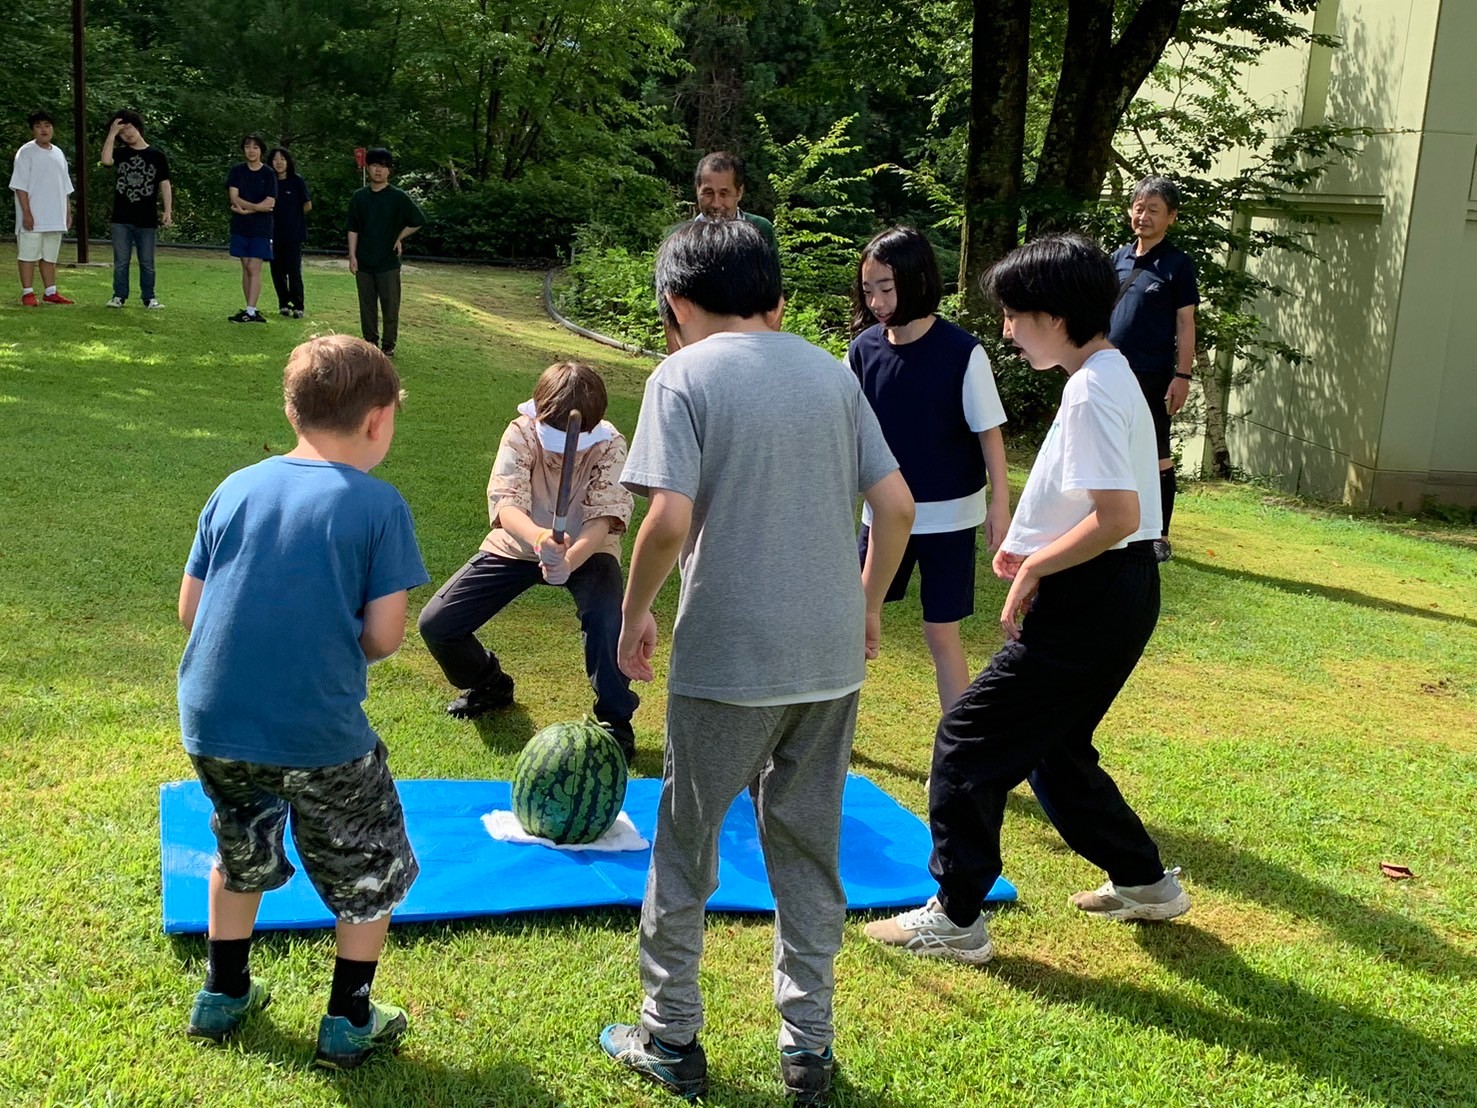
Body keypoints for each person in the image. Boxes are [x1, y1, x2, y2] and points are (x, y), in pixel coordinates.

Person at [598, 220, 914, 1106]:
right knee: (809, 851)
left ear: (675, 306)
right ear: (770, 294)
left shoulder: (681, 376)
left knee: (686, 846)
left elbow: (663, 522)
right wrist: (862, 603)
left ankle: (669, 1038)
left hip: (728, 659)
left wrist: (634, 615)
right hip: (827, 660)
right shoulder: (832, 372)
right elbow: (895, 506)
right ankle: (806, 1051)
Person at [864, 234, 1189, 967]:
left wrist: (1034, 562)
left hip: (1094, 596)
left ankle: (955, 918)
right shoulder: (1108, 375)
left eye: (1014, 315)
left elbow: (1114, 515)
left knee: (965, 742)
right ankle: (1145, 883)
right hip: (1114, 588)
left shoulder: (1093, 389)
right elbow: (1110, 516)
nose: (1007, 330)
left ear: (1054, 313)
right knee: (1055, 754)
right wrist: (1040, 558)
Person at [177, 334, 430, 1067]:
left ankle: (223, 994)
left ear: (292, 409)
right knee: (369, 867)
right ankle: (349, 1019)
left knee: (241, 847)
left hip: (215, 724)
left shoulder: (235, 486)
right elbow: (384, 636)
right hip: (320, 734)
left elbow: (192, 610)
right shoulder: (379, 506)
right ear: (378, 420)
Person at [417, 361, 640, 759]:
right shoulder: (520, 430)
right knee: (438, 623)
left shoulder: (611, 443)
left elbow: (604, 518)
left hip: (590, 550)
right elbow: (506, 504)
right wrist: (540, 539)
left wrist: (569, 558)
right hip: (519, 542)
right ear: (537, 411)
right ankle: (489, 683)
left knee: (608, 621)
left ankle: (615, 721)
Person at [849, 226, 1010, 713]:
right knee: (852, 622)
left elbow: (990, 435)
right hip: (881, 516)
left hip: (951, 519)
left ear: (917, 281)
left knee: (941, 634)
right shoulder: (861, 351)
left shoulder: (963, 353)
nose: (876, 301)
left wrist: (999, 508)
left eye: (887, 288)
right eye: (868, 289)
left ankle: (957, 756)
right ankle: (823, 743)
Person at [1108, 176, 1199, 562]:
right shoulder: (1117, 257)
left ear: (1171, 217)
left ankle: (1159, 534)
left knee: (1157, 452)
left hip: (1152, 374)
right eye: (1139, 208)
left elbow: (1185, 324)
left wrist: (1182, 376)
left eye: (1153, 210)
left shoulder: (1178, 264)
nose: (1143, 216)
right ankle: (1112, 521)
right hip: (1109, 370)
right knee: (1111, 447)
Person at [346, 147, 424, 359]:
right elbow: (352, 228)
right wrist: (352, 256)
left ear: (389, 170)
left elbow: (418, 220)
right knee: (367, 306)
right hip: (364, 259)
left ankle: (388, 346)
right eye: (374, 165)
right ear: (368, 168)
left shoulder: (398, 197)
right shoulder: (359, 197)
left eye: (382, 166)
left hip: (388, 262)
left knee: (390, 306)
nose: (378, 170)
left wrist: (399, 237)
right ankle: (370, 344)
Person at [100, 109, 172, 309]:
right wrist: (112, 134)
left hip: (146, 218)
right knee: (121, 261)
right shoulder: (121, 154)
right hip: (121, 218)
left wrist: (168, 211)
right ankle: (118, 296)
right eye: (122, 132)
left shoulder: (157, 155)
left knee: (147, 262)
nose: (127, 134)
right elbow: (106, 161)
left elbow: (164, 184)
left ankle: (149, 298)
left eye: (129, 128)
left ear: (137, 127)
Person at [10, 109, 74, 306]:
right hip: (33, 214)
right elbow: (20, 185)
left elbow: (64, 186)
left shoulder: (58, 153)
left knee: (49, 255)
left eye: (47, 125)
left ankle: (50, 291)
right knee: (28, 254)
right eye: (38, 126)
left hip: (54, 214)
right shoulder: (26, 152)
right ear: (32, 130)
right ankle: (28, 292)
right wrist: (27, 213)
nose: (43, 130)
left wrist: (68, 211)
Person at [226, 133, 277, 323]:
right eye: (248, 146)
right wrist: (256, 208)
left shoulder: (268, 174)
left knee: (254, 267)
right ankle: (249, 308)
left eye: (255, 147)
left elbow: (270, 201)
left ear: (261, 151)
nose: (251, 150)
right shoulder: (237, 171)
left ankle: (251, 310)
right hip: (240, 225)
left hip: (261, 228)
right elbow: (234, 197)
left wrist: (249, 210)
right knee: (245, 267)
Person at [692, 150, 778, 255]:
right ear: (697, 190)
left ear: (739, 192)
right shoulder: (680, 236)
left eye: (724, 194)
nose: (716, 203)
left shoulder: (760, 230)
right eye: (708, 193)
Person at [267, 147, 312, 318]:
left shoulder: (296, 181)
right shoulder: (269, 181)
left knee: (294, 271)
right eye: (275, 159)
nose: (279, 162)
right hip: (273, 234)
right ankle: (283, 304)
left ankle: (298, 305)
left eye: (282, 159)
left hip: (294, 234)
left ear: (288, 162)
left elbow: (307, 205)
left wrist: (293, 215)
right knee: (277, 272)